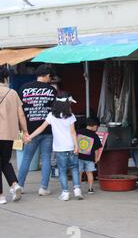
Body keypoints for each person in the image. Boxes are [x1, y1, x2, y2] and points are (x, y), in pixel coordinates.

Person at [29, 93, 83, 201]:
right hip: (71, 147)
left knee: (62, 171)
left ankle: (65, 193)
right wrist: (77, 146)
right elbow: (73, 132)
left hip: (59, 149)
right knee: (74, 168)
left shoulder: (51, 116)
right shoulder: (70, 116)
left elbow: (41, 128)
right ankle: (77, 190)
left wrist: (30, 136)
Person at [17, 65, 57, 195]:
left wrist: (23, 131)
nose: (50, 79)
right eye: (50, 77)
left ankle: (20, 186)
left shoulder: (24, 88)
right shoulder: (52, 90)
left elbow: (20, 111)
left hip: (30, 131)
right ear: (46, 76)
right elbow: (56, 111)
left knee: (27, 158)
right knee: (46, 158)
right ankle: (43, 188)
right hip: (47, 129)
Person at [0, 67, 29, 204]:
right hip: (9, 134)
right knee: (5, 161)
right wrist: (25, 132)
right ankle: (14, 184)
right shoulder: (13, 93)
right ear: (6, 78)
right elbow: (21, 115)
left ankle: (1, 196)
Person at [77, 117, 102, 194]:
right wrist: (97, 157)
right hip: (90, 158)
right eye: (97, 126)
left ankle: (78, 189)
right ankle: (90, 189)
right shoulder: (94, 135)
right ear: (93, 125)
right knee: (89, 173)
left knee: (79, 173)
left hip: (79, 156)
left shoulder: (78, 132)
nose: (97, 128)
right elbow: (97, 149)